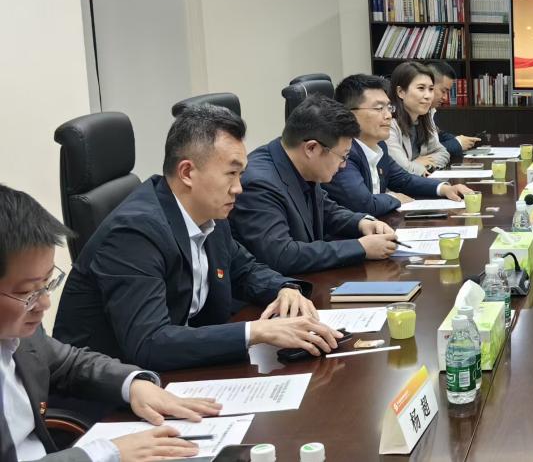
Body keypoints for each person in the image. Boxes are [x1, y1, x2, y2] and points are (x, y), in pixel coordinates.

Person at [54, 105, 341, 372]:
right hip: (117, 388)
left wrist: (284, 288)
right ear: (187, 172)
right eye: (231, 173)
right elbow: (149, 342)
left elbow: (245, 269)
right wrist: (255, 332)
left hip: (180, 370)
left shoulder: (210, 213)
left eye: (240, 174)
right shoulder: (134, 233)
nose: (238, 188)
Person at [1, 184, 227, 462]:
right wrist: (107, 452)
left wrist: (133, 385)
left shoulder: (18, 333)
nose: (45, 303)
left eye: (47, 283)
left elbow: (67, 362)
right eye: (27, 292)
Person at [231, 96, 401, 275]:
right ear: (311, 148)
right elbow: (281, 255)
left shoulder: (298, 164)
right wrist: (360, 247)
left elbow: (326, 210)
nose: (343, 165)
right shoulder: (259, 184)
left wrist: (361, 223)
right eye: (343, 156)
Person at [327, 74, 473, 216]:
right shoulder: (343, 154)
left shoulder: (379, 146)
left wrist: (443, 189)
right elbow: (363, 204)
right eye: (379, 108)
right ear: (350, 114)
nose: (388, 115)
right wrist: (393, 197)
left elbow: (404, 180)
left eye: (389, 108)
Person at [385, 61, 450, 176]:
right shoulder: (388, 125)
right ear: (400, 92)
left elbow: (443, 153)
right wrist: (416, 165)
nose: (428, 96)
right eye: (421, 88)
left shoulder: (422, 120)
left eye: (431, 89)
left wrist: (425, 165)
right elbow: (402, 169)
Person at [424, 59, 481, 161]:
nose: (445, 98)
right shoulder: (412, 114)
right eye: (443, 91)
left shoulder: (429, 111)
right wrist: (458, 143)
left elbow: (438, 135)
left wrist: (459, 139)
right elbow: (427, 152)